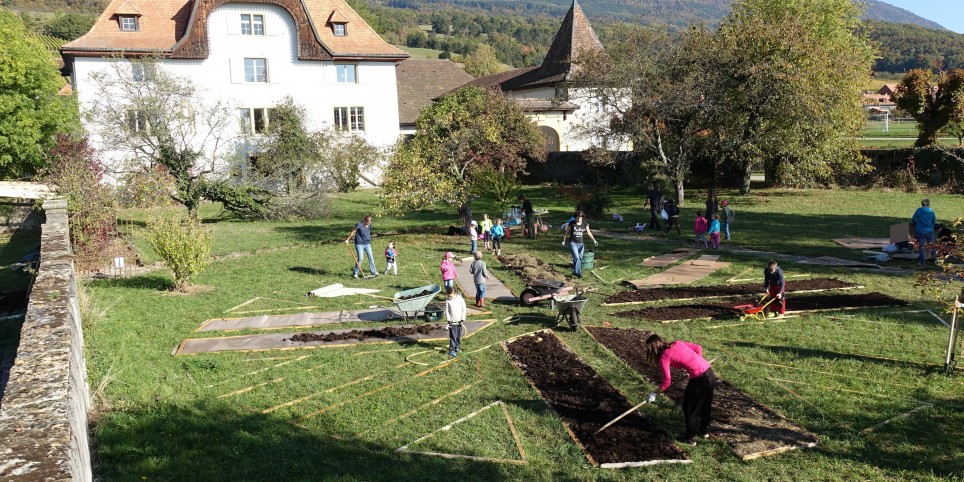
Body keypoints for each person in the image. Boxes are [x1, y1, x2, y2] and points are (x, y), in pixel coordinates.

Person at [644, 334, 716, 444]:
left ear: (653, 349)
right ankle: (704, 430)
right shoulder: (676, 343)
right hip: (709, 373)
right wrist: (698, 362)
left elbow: (666, 382)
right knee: (706, 403)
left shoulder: (664, 357)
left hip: (699, 379)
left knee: (689, 406)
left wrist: (653, 394)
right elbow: (698, 348)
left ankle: (690, 438)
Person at [562, 210, 598, 278]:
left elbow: (589, 233)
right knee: (576, 258)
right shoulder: (571, 223)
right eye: (577, 217)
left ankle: (574, 270)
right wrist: (564, 240)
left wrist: (594, 240)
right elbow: (566, 232)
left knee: (580, 258)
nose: (578, 219)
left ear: (582, 217)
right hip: (573, 243)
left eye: (580, 218)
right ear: (575, 217)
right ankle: (578, 273)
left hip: (581, 244)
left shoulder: (585, 223)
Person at [911, 198, 937, 267]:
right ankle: (934, 261)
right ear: (929, 203)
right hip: (930, 231)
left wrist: (915, 223)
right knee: (932, 246)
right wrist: (931, 226)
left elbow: (913, 219)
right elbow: (934, 221)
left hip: (920, 231)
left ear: (921, 203)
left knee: (921, 247)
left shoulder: (919, 210)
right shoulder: (931, 211)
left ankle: (922, 262)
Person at [444, 286, 466, 357]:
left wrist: (462, 319)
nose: (449, 297)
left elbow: (464, 309)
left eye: (450, 296)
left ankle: (457, 347)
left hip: (459, 321)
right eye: (448, 296)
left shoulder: (460, 299)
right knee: (453, 337)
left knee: (458, 336)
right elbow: (447, 311)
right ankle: (452, 350)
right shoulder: (447, 301)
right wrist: (449, 320)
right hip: (452, 322)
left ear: (455, 293)